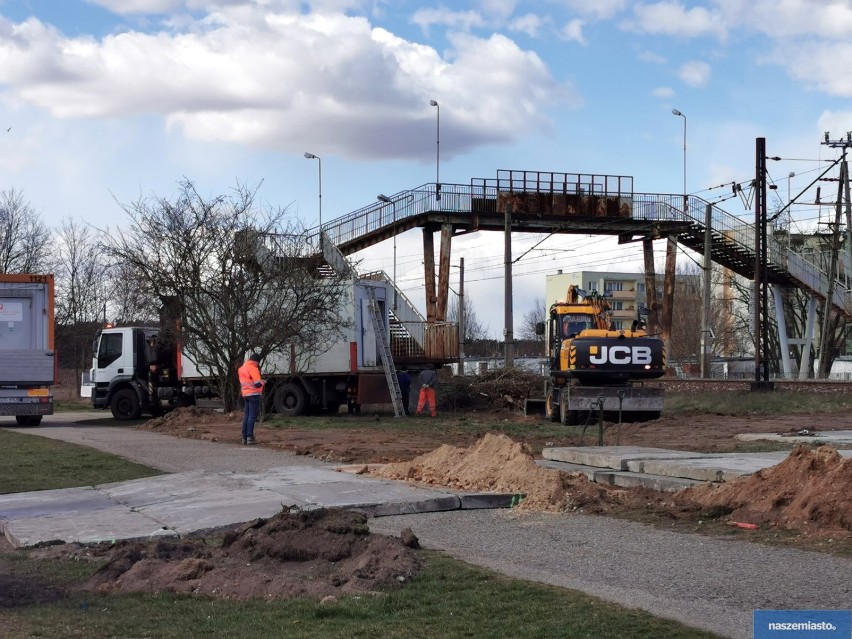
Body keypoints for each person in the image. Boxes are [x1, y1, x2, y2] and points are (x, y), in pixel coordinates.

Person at [238, 352, 265, 445]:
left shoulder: (242, 368)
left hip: (245, 394)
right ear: (256, 361)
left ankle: (244, 438)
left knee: (246, 416)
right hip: (254, 394)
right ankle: (250, 437)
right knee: (252, 416)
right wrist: (264, 382)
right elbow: (257, 384)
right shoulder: (253, 369)